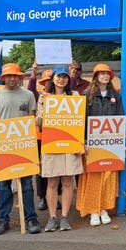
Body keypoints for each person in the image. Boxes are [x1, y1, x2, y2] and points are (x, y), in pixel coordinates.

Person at [0, 63, 41, 235]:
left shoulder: (29, 95)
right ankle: (3, 220)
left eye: (15, 76)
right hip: (4, 147)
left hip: (24, 146)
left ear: (20, 77)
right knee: (3, 185)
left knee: (27, 185)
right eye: (9, 76)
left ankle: (31, 218)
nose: (13, 79)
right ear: (4, 78)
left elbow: (31, 120)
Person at [36, 65, 84, 232]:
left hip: (70, 146)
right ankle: (52, 217)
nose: (61, 79)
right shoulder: (44, 97)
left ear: (68, 79)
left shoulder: (75, 96)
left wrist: (80, 143)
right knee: (52, 182)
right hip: (52, 144)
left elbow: (80, 121)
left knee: (68, 182)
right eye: (58, 76)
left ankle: (64, 217)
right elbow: (39, 124)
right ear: (53, 78)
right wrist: (43, 105)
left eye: (64, 76)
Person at [76, 63, 124, 226]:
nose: (104, 76)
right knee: (94, 177)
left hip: (111, 144)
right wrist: (84, 142)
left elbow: (120, 118)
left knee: (108, 177)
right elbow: (82, 120)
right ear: (95, 76)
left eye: (107, 74)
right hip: (92, 144)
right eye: (101, 74)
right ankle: (93, 211)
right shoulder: (87, 94)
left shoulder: (115, 95)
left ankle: (103, 208)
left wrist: (122, 141)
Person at [28, 64, 53, 211]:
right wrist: (34, 72)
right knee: (41, 169)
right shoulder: (38, 95)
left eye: (51, 79)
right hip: (40, 137)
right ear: (43, 83)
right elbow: (31, 89)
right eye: (47, 80)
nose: (49, 82)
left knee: (55, 169)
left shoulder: (59, 97)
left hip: (56, 137)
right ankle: (43, 197)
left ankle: (55, 198)